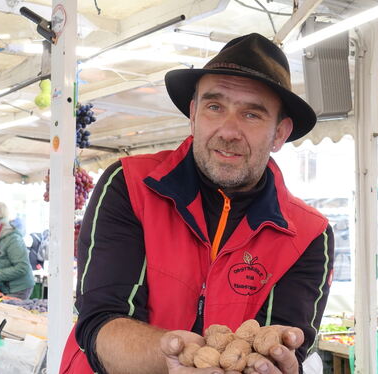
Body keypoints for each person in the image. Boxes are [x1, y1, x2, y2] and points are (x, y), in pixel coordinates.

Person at [61, 33, 335, 374]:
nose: (228, 130)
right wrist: (175, 356)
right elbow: (101, 319)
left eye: (252, 115)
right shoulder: (129, 184)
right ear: (193, 113)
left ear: (279, 133)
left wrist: (277, 362)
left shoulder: (309, 234)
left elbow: (275, 342)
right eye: (214, 107)